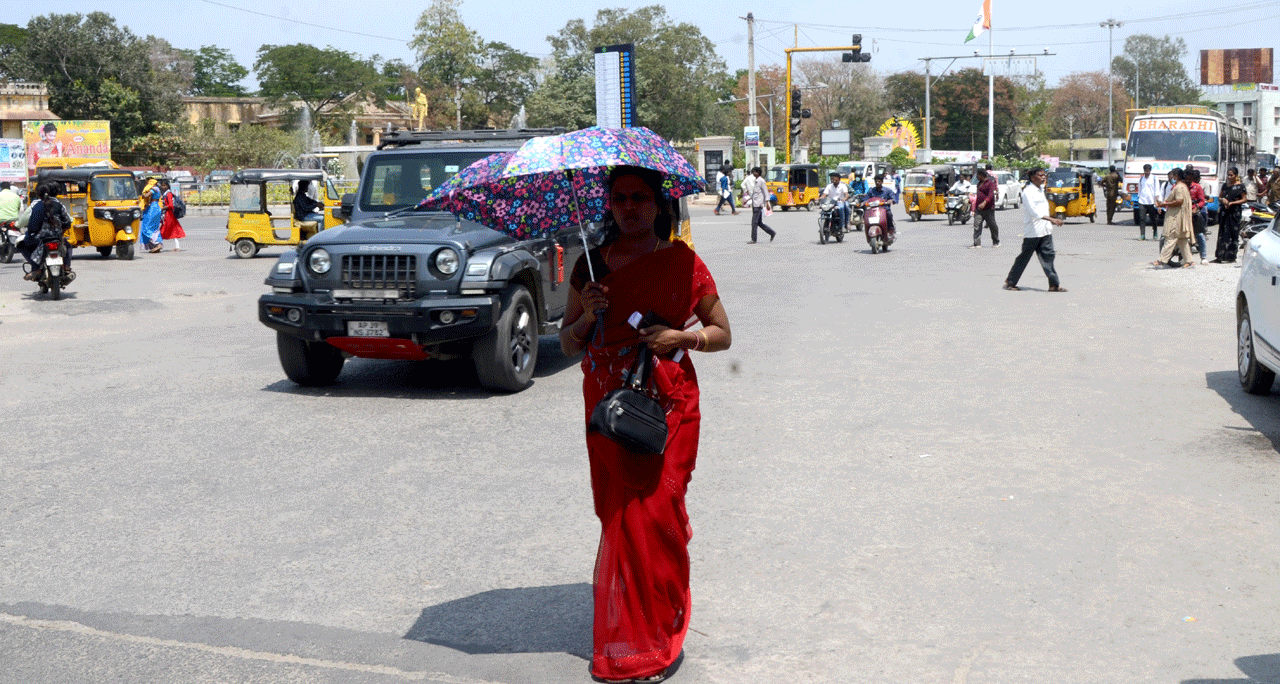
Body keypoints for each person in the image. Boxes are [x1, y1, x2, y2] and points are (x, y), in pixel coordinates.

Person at [559, 165, 732, 684]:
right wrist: (587, 314)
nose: (629, 207)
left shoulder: (682, 262)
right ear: (608, 205)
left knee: (657, 515)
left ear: (658, 204)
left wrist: (682, 338)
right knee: (621, 514)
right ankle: (632, 635)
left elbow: (722, 333)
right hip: (609, 407)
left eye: (639, 197)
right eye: (619, 198)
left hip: (670, 404)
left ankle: (658, 639)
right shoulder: (589, 268)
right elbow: (566, 343)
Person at [1003, 167, 1066, 292]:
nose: (1043, 177)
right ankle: (1010, 282)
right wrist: (1052, 219)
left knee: (1049, 257)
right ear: (1032, 178)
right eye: (1040, 175)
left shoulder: (1041, 189)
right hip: (1033, 232)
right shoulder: (1028, 192)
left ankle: (1054, 285)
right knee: (1024, 258)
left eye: (1044, 175)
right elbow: (1033, 212)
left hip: (1045, 231)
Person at [18, 182, 72, 281]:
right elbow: (67, 222)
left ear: (38, 194)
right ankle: (67, 267)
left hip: (40, 239)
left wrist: (29, 234)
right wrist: (61, 233)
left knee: (21, 245)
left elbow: (32, 226)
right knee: (68, 246)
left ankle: (36, 268)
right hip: (57, 238)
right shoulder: (59, 205)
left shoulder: (36, 206)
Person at [1153, 168, 1194, 268]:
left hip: (1177, 217)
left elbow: (1179, 201)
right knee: (1182, 240)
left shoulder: (1179, 187)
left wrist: (1165, 204)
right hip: (1179, 216)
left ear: (1177, 176)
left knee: (1171, 238)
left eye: (1173, 175)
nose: (1172, 177)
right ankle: (1189, 261)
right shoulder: (1182, 186)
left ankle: (1162, 260)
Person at [1214, 166, 1247, 263]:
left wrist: (1233, 203)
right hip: (1224, 212)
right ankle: (1220, 256)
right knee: (1222, 232)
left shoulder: (1241, 186)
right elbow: (1220, 197)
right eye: (1228, 175)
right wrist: (1223, 200)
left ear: (1236, 175)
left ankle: (1231, 256)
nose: (1229, 177)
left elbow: (1244, 199)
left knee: (1233, 233)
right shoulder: (1225, 185)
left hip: (1234, 212)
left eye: (1231, 175)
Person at [741, 166, 775, 243]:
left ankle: (753, 239)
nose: (753, 173)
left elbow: (766, 192)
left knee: (754, 222)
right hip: (755, 203)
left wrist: (767, 202)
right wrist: (747, 200)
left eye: (754, 172)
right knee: (759, 223)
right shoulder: (756, 181)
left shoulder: (761, 181)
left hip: (758, 204)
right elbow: (754, 193)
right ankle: (772, 233)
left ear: (758, 173)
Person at [971, 167, 1000, 248]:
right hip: (979, 208)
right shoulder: (979, 183)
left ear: (981, 175)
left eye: (977, 175)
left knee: (992, 225)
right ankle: (977, 243)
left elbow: (990, 195)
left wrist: (984, 203)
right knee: (977, 225)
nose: (977, 177)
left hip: (988, 208)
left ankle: (996, 241)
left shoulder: (990, 183)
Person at [864, 173, 896, 239]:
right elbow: (866, 199)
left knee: (889, 214)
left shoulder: (887, 191)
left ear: (882, 182)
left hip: (884, 209)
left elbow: (893, 198)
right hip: (872, 210)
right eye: (876, 181)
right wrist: (863, 202)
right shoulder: (871, 191)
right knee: (865, 214)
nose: (877, 183)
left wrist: (890, 201)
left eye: (879, 181)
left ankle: (891, 229)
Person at [1187, 169, 1208, 265]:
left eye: (1189, 177)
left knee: (1199, 235)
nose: (1187, 179)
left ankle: (1203, 256)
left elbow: (1202, 201)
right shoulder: (1181, 186)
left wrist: (1196, 208)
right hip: (1183, 213)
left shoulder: (1197, 187)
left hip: (1194, 213)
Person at [159, 179, 186, 252]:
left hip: (169, 214)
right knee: (173, 229)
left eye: (164, 185)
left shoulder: (168, 194)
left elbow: (171, 205)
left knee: (163, 230)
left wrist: (163, 208)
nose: (163, 187)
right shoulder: (165, 194)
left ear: (167, 186)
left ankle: (158, 245)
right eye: (162, 185)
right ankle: (177, 246)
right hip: (168, 214)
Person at [1136, 164, 1161, 241]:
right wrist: (1139, 197)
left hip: (1151, 201)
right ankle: (1142, 235)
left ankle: (1155, 232)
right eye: (1145, 171)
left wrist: (1157, 200)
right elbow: (1140, 189)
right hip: (1142, 201)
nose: (1146, 172)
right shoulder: (1141, 179)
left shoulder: (1154, 178)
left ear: (1150, 170)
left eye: (1148, 171)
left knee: (1153, 218)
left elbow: (1157, 190)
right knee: (1142, 218)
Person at [139, 177, 163, 252]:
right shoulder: (157, 189)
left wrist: (142, 195)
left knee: (147, 227)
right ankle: (155, 245)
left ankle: (156, 243)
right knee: (155, 227)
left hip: (153, 208)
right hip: (156, 207)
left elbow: (146, 196)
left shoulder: (154, 189)